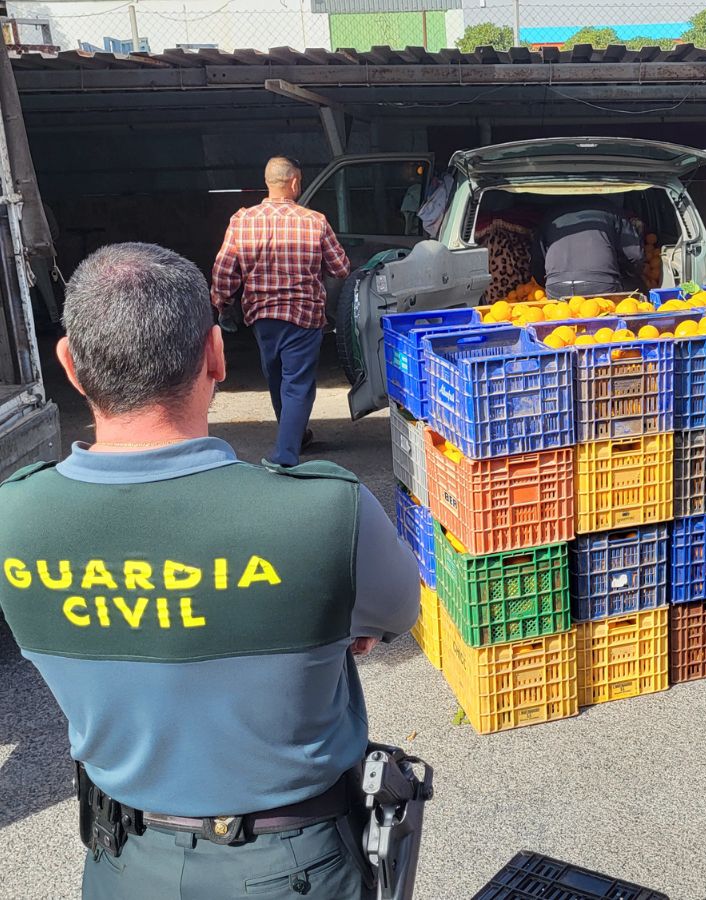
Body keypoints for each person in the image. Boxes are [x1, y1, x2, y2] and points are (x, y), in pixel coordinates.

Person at [0, 243, 419, 899]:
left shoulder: (12, 519)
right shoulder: (323, 512)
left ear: (70, 368)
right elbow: (396, 613)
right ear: (217, 356)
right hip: (292, 869)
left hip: (121, 866)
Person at [211, 156, 351, 467]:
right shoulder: (314, 221)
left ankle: (294, 436)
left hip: (262, 317)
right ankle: (286, 454)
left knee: (276, 378)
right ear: (294, 183)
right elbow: (341, 268)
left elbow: (224, 270)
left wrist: (222, 302)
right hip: (304, 315)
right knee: (297, 383)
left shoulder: (242, 221)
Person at [530, 197, 644, 298]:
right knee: (636, 291)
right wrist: (626, 273)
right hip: (601, 284)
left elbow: (537, 262)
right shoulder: (610, 209)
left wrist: (549, 281)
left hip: (557, 288)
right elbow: (635, 255)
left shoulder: (551, 214)